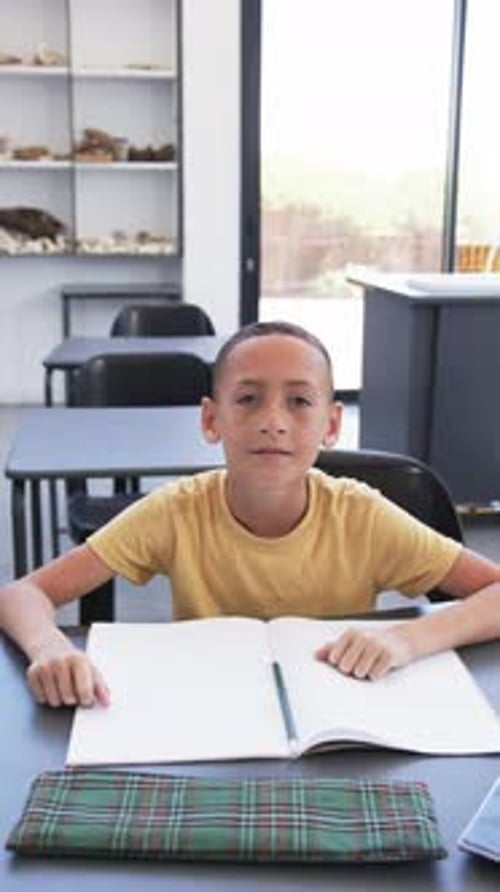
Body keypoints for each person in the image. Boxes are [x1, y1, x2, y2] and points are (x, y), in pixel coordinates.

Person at [1, 321, 499, 709]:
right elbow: (22, 594)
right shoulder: (176, 511)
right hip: (210, 716)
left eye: (299, 401)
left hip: (342, 718)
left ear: (330, 425)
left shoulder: (361, 516)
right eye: (248, 399)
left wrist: (408, 639)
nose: (272, 422)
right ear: (211, 419)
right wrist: (49, 646)